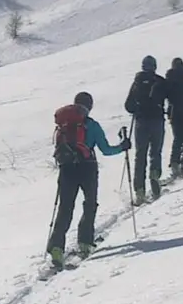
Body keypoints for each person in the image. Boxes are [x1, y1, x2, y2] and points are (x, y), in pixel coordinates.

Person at [47, 92, 130, 268]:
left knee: (65, 208)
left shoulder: (63, 125)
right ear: (90, 107)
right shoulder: (91, 125)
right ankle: (85, 243)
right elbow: (106, 150)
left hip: (66, 169)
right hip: (88, 168)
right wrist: (123, 146)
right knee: (90, 203)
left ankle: (56, 248)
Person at [124, 55, 168, 203]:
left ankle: (139, 191)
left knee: (140, 156)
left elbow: (128, 105)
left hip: (141, 122)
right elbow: (170, 97)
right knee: (155, 152)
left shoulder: (136, 82)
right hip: (157, 121)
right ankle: (155, 175)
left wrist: (137, 108)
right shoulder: (160, 81)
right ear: (154, 66)